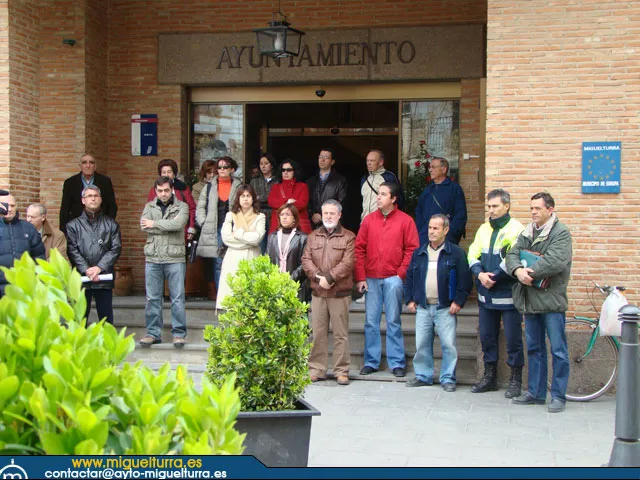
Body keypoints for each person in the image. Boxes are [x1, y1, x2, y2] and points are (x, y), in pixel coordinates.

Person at [505, 192, 572, 413]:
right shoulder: (528, 231)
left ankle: (559, 397)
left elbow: (556, 261)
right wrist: (517, 270)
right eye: (531, 208)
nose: (533, 212)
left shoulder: (561, 233)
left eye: (538, 208)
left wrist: (528, 272)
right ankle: (535, 392)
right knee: (534, 348)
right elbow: (512, 253)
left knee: (558, 351)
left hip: (551, 301)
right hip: (530, 299)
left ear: (550, 209)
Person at [354, 182, 419, 377]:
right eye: (378, 194)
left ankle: (397, 362)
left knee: (393, 321)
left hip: (393, 278)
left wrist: (401, 274)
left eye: (383, 194)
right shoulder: (368, 221)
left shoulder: (406, 221)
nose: (378, 197)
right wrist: (360, 276)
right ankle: (371, 361)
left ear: (393, 198)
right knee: (370, 322)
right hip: (371, 278)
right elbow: (359, 249)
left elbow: (412, 249)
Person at [404, 214, 472, 392]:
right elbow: (410, 277)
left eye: (436, 228)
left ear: (446, 230)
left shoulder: (456, 253)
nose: (431, 232)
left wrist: (458, 301)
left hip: (445, 308)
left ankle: (448, 378)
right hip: (423, 307)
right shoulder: (419, 253)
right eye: (430, 228)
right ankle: (423, 375)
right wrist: (410, 299)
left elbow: (465, 280)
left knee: (448, 345)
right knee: (421, 344)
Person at [467, 189, 525, 398]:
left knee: (513, 340)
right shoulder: (483, 228)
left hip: (508, 295)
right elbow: (472, 253)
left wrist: (495, 276)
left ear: (507, 206)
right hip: (486, 296)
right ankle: (489, 378)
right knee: (487, 338)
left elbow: (513, 257)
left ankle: (515, 380)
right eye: (489, 207)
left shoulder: (517, 229)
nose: (490, 210)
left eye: (495, 206)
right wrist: (479, 274)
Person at [302, 199, 355, 386]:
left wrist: (330, 278)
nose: (329, 217)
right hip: (318, 293)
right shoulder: (313, 236)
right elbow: (306, 260)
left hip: (339, 293)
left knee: (341, 334)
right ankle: (317, 369)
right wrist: (319, 278)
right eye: (326, 213)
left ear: (339, 215)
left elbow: (348, 263)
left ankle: (341, 370)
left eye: (332, 213)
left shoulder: (348, 237)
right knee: (318, 333)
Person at [139, 177, 189, 348]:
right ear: (155, 191)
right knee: (152, 298)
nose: (163, 194)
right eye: (160, 191)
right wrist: (166, 226)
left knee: (177, 298)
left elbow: (178, 224)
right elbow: (144, 227)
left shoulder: (182, 207)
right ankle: (153, 333)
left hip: (175, 257)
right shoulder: (149, 206)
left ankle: (179, 334)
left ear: (172, 190)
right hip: (153, 257)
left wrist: (155, 224)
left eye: (166, 190)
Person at [66, 185, 122, 324]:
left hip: (103, 277)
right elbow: (72, 250)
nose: (93, 199)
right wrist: (87, 269)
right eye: (89, 196)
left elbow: (115, 248)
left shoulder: (111, 225)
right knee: (80, 319)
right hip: (82, 277)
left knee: (106, 319)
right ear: (83, 200)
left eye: (96, 196)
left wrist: (99, 268)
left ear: (101, 199)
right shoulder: (73, 226)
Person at [196, 156, 241, 297]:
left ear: (232, 169)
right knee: (218, 262)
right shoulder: (209, 186)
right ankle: (221, 296)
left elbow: (245, 205)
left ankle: (233, 295)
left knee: (234, 262)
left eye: (225, 167)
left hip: (233, 229)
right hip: (214, 229)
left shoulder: (239, 186)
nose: (221, 170)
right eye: (219, 167)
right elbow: (200, 207)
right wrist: (204, 222)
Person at [216, 185, 266, 309]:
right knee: (232, 296)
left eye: (248, 196)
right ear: (238, 199)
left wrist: (238, 234)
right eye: (242, 196)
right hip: (232, 258)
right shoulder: (230, 215)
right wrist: (247, 239)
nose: (245, 199)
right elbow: (226, 238)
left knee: (251, 299)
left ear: (253, 198)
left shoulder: (260, 216)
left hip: (252, 257)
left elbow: (257, 239)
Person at [0, 191, 46, 296]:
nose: (10, 209)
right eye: (6, 205)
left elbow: (39, 258)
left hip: (23, 289)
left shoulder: (28, 228)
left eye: (12, 205)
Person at [415, 157, 467, 245]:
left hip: (446, 239)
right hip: (425, 238)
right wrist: (420, 231)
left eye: (433, 167)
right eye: (430, 167)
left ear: (443, 169)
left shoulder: (454, 189)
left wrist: (451, 234)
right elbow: (419, 211)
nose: (430, 170)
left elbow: (460, 214)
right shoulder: (427, 190)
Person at [60, 153, 118, 232]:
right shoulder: (70, 182)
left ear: (95, 166)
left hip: (100, 226)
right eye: (84, 163)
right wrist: (64, 230)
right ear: (80, 166)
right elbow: (65, 208)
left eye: (91, 162)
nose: (88, 166)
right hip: (77, 228)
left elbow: (112, 206)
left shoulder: (105, 181)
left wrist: (107, 224)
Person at [266, 204, 309, 302]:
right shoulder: (272, 237)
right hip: (275, 285)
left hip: (296, 284)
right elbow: (267, 259)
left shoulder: (302, 238)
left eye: (288, 215)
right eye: (282, 215)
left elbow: (305, 263)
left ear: (294, 218)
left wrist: (290, 279)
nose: (284, 217)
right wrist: (274, 278)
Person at [147, 158, 196, 242]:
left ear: (174, 174)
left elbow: (191, 209)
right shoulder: (154, 190)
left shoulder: (183, 189)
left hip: (179, 232)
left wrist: (191, 227)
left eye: (169, 172)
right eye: (164, 172)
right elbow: (149, 210)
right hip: (159, 233)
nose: (166, 175)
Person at [307, 148, 347, 230]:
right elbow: (307, 201)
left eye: (326, 157)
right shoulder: (311, 180)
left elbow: (341, 202)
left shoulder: (340, 180)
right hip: (313, 223)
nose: (322, 160)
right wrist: (312, 215)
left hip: (332, 224)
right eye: (320, 157)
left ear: (332, 162)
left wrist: (324, 215)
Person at [267, 159, 311, 234]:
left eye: (289, 170)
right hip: (278, 224)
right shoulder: (275, 187)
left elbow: (302, 204)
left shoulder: (303, 186)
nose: (285, 172)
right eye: (283, 170)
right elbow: (271, 202)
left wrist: (282, 204)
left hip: (298, 225)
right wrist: (288, 202)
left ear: (295, 171)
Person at [360, 149, 403, 223]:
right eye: (367, 160)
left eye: (372, 161)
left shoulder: (389, 177)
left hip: (384, 222)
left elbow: (399, 200)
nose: (369, 163)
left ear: (381, 162)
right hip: (365, 221)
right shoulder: (364, 179)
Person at [250, 152, 277, 253]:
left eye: (266, 163)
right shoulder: (254, 181)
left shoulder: (277, 181)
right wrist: (267, 199)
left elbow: (276, 199)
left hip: (274, 215)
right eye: (261, 164)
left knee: (272, 245)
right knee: (260, 245)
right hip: (258, 214)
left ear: (271, 165)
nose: (263, 166)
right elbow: (252, 198)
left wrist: (260, 198)